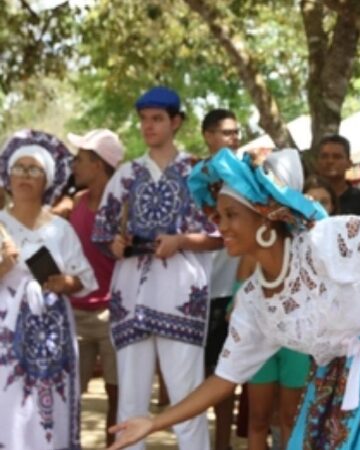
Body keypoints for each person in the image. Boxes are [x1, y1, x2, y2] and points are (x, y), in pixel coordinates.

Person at [107, 147, 360, 450]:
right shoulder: (254, 303)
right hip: (333, 380)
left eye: (231, 215)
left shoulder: (323, 244)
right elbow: (224, 379)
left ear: (265, 219)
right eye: (218, 216)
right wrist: (154, 423)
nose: (222, 227)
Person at [93, 86, 220, 450]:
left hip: (182, 297)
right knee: (130, 404)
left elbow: (221, 234)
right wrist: (115, 245)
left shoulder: (198, 174)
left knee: (187, 401)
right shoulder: (126, 175)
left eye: (157, 119)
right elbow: (104, 233)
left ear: (175, 122)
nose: (148, 126)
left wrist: (181, 241)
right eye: (144, 119)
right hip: (131, 297)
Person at [0, 130, 98, 449]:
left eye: (34, 170)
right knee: (8, 404)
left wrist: (63, 282)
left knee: (48, 408)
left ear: (48, 180)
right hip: (5, 333)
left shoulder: (61, 229)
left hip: (51, 334)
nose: (25, 176)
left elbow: (84, 279)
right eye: (19, 168)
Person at [67, 128, 125, 447]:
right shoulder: (74, 203)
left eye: (80, 159)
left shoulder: (124, 208)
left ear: (99, 165)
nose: (74, 165)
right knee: (71, 396)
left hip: (112, 316)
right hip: (75, 315)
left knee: (117, 396)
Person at [201, 108, 242, 450]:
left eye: (236, 132)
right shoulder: (194, 179)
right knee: (202, 374)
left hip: (238, 290)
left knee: (230, 372)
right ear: (208, 136)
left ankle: (224, 443)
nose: (234, 139)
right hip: (199, 290)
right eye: (227, 133)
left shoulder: (246, 176)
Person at [316, 134, 360, 214]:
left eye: (337, 157)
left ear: (349, 163)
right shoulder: (308, 197)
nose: (330, 161)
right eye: (324, 156)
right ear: (317, 162)